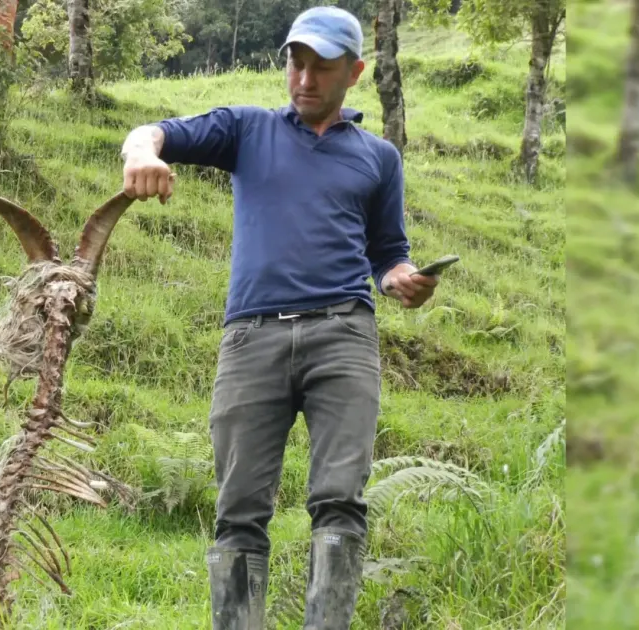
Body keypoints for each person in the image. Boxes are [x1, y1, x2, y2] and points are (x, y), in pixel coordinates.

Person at [119, 6, 438, 628]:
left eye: (323, 67)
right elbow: (154, 132)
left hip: (344, 334)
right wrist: (140, 152)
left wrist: (402, 278)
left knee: (340, 501)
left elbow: (388, 251)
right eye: (296, 62)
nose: (305, 79)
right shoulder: (246, 130)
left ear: (355, 72)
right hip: (252, 339)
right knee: (238, 508)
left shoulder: (379, 157)